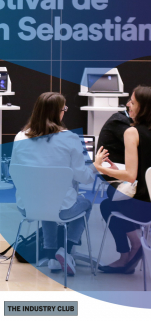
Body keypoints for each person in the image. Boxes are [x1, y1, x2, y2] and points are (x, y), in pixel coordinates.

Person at [11, 92, 95, 276]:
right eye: (64, 109)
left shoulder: (20, 137)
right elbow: (83, 176)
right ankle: (65, 250)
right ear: (58, 112)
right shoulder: (70, 138)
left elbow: (13, 171)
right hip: (62, 208)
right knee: (85, 204)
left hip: (28, 207)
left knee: (46, 199)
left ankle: (51, 257)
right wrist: (95, 168)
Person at [94, 85, 151, 274]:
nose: (128, 105)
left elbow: (131, 176)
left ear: (143, 107)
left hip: (143, 206)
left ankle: (129, 251)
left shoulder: (132, 132)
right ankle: (133, 249)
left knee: (107, 205)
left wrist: (100, 168)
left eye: (132, 102)